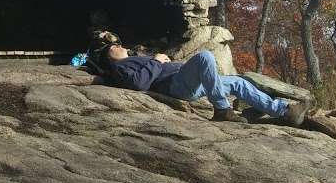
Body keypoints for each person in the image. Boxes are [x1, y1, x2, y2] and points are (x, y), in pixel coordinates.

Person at [96, 44, 308, 125]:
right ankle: (222, 110)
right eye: (113, 46)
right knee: (205, 56)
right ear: (110, 57)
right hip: (175, 86)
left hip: (186, 81)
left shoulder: (132, 58)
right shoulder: (120, 67)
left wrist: (160, 61)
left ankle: (282, 111)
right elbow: (139, 83)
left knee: (238, 82)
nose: (118, 45)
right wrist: (156, 61)